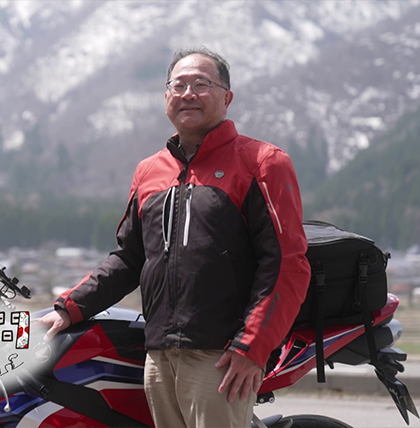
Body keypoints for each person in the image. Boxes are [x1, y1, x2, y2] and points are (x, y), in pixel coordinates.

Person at [38, 47, 311, 427]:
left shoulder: (262, 162)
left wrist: (252, 346)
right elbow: (129, 259)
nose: (188, 94)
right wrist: (69, 308)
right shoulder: (149, 171)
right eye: (178, 85)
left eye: (201, 84)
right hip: (159, 356)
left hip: (222, 356)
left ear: (227, 98)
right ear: (166, 97)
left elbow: (287, 264)